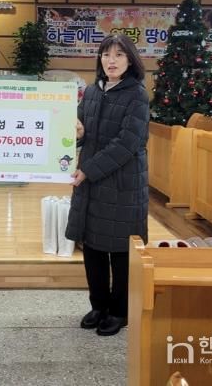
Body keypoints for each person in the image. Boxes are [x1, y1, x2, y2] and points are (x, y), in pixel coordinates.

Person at [65, 33, 149, 336]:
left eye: (118, 55)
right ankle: (98, 305)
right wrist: (76, 134)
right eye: (105, 55)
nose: (111, 61)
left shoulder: (137, 95)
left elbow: (127, 144)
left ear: (130, 60)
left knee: (121, 252)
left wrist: (87, 170)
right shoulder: (91, 91)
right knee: (93, 248)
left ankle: (119, 311)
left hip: (122, 185)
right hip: (91, 181)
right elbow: (82, 132)